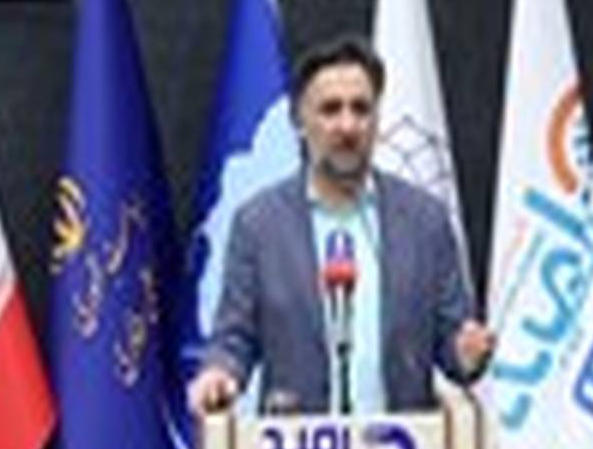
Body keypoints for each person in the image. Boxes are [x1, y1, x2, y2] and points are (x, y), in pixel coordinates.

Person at [188, 33, 493, 415]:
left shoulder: (424, 221)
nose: (347, 126)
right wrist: (218, 374)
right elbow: (234, 338)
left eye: (361, 109)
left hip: (403, 446)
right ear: (299, 121)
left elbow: (453, 343)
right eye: (330, 110)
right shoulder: (259, 225)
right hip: (298, 445)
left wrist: (467, 353)